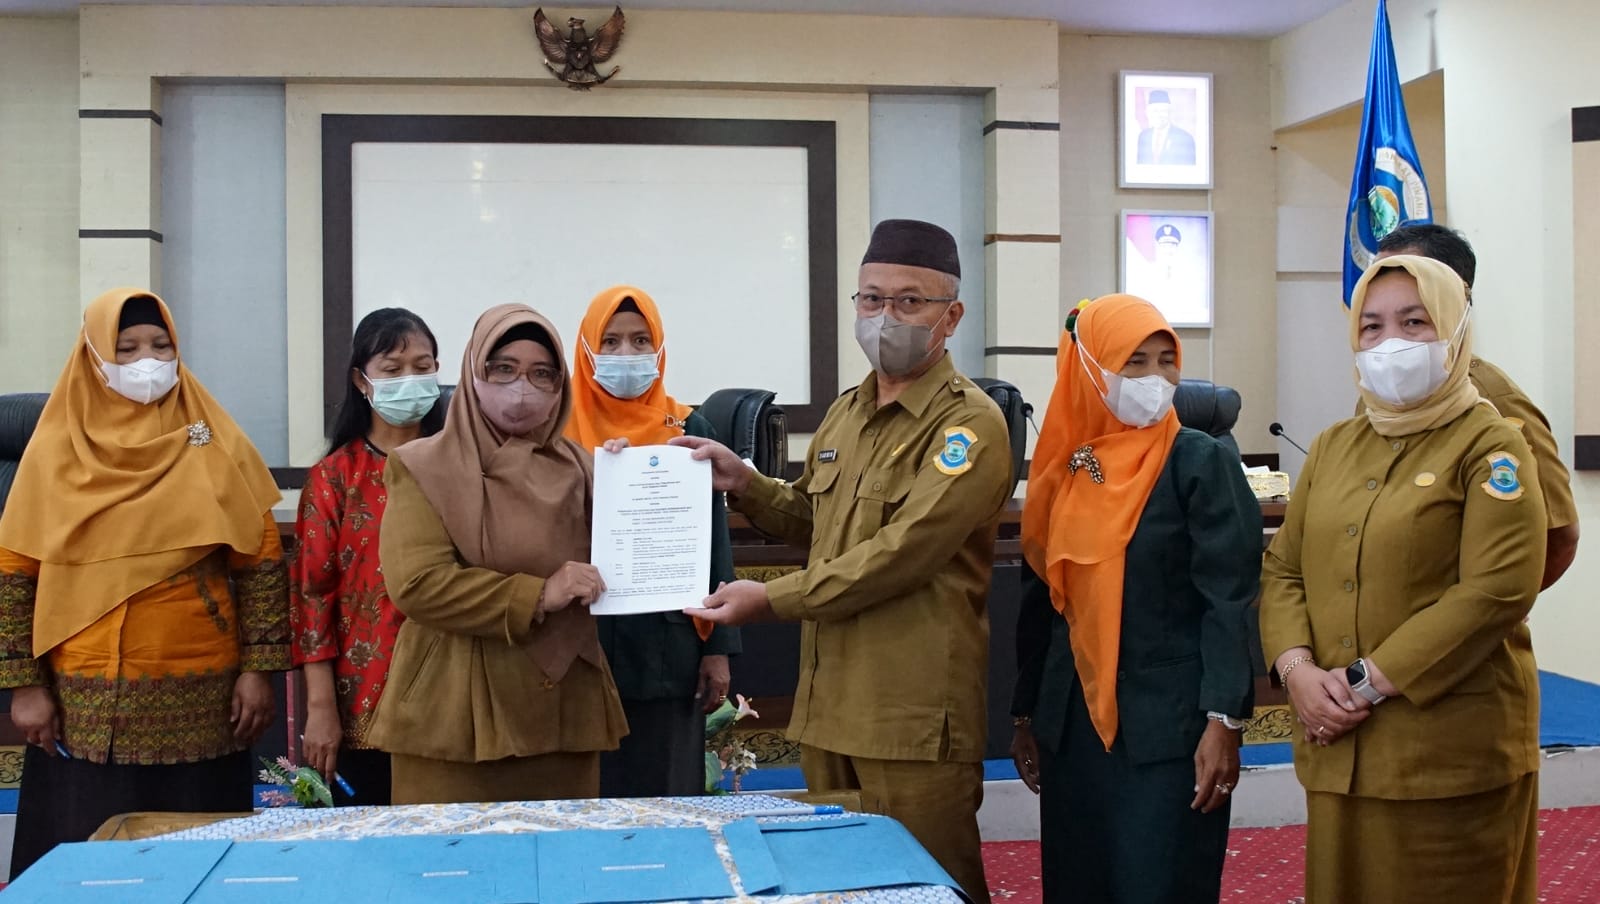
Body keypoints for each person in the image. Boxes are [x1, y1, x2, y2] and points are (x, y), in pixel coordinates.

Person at [677, 219, 1011, 903]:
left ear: (951, 317)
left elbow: (901, 555)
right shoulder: (847, 411)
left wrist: (770, 599)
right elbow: (814, 520)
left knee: (930, 885)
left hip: (912, 715)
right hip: (831, 706)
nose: (886, 317)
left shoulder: (969, 424)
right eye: (871, 298)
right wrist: (745, 482)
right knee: (839, 885)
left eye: (909, 301)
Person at [1261, 255, 1545, 903]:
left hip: (1445, 754)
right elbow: (1284, 568)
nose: (1391, 341)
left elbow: (1495, 589)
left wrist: (1360, 686)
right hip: (1337, 750)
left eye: (1415, 322)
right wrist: (1298, 672)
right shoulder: (1334, 445)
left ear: (1455, 329)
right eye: (1372, 326)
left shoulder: (1492, 444)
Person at [0, 289, 289, 876]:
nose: (147, 362)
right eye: (126, 349)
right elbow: (14, 578)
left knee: (200, 863)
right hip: (83, 701)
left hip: (203, 699)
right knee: (91, 866)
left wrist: (260, 670)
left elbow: (260, 562)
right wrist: (22, 686)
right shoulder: (56, 446)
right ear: (93, 357)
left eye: (161, 346)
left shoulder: (201, 435)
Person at [1011, 294, 1261, 903]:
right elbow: (1041, 604)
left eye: (1166, 361)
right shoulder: (1067, 469)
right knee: (1079, 884)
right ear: (1091, 370)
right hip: (1073, 731)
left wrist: (1224, 720)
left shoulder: (1198, 462)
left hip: (1168, 732)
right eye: (1134, 362)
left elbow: (1228, 600)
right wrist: (1025, 716)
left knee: (1159, 884)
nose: (1155, 378)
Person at [366, 304, 626, 804]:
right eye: (503, 369)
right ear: (473, 372)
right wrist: (539, 595)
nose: (522, 388)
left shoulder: (580, 466)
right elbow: (418, 585)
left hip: (563, 707)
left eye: (542, 374)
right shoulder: (422, 465)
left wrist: (632, 481)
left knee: (564, 848)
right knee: (453, 850)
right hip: (456, 715)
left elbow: (624, 564)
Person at [564, 286, 740, 798]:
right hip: (579, 649)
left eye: (641, 341)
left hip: (670, 650)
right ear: (587, 349)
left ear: (659, 348)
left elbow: (714, 543)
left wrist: (718, 650)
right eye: (611, 341)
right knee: (586, 801)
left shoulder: (687, 427)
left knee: (668, 798)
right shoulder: (555, 432)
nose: (626, 354)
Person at [1364, 223, 1578, 589]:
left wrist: (1492, 605)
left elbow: (1559, 535)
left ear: (1452, 298)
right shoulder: (1373, 397)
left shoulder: (1493, 399)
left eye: (1410, 286)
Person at [291, 307, 444, 806]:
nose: (410, 380)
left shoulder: (464, 467)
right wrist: (320, 707)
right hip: (364, 697)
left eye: (422, 367)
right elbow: (312, 598)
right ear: (361, 381)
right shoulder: (334, 477)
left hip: (453, 692)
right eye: (392, 370)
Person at [1135, 89, 1197, 165]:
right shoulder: (1143, 136)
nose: (1158, 115)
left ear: (1169, 113)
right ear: (1148, 113)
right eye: (1155, 111)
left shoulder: (1185, 138)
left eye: (1163, 111)